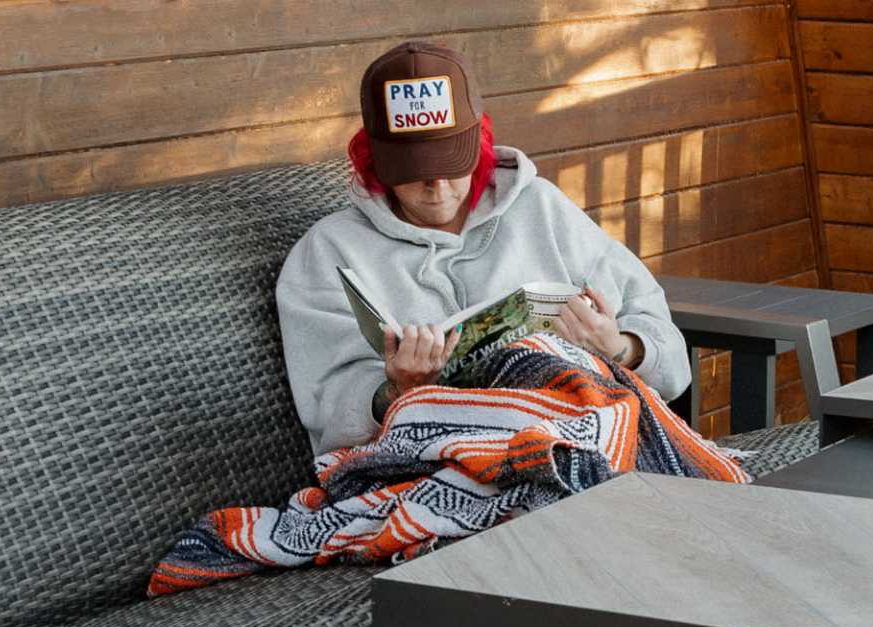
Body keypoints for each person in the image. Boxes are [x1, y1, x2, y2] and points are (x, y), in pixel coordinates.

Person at [274, 40, 695, 456]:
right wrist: (396, 391)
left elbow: (669, 355)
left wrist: (619, 347)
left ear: (480, 143)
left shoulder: (542, 208)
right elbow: (326, 411)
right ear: (373, 160)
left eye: (449, 162)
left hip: (579, 436)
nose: (435, 187)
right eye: (412, 170)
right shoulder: (329, 252)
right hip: (433, 462)